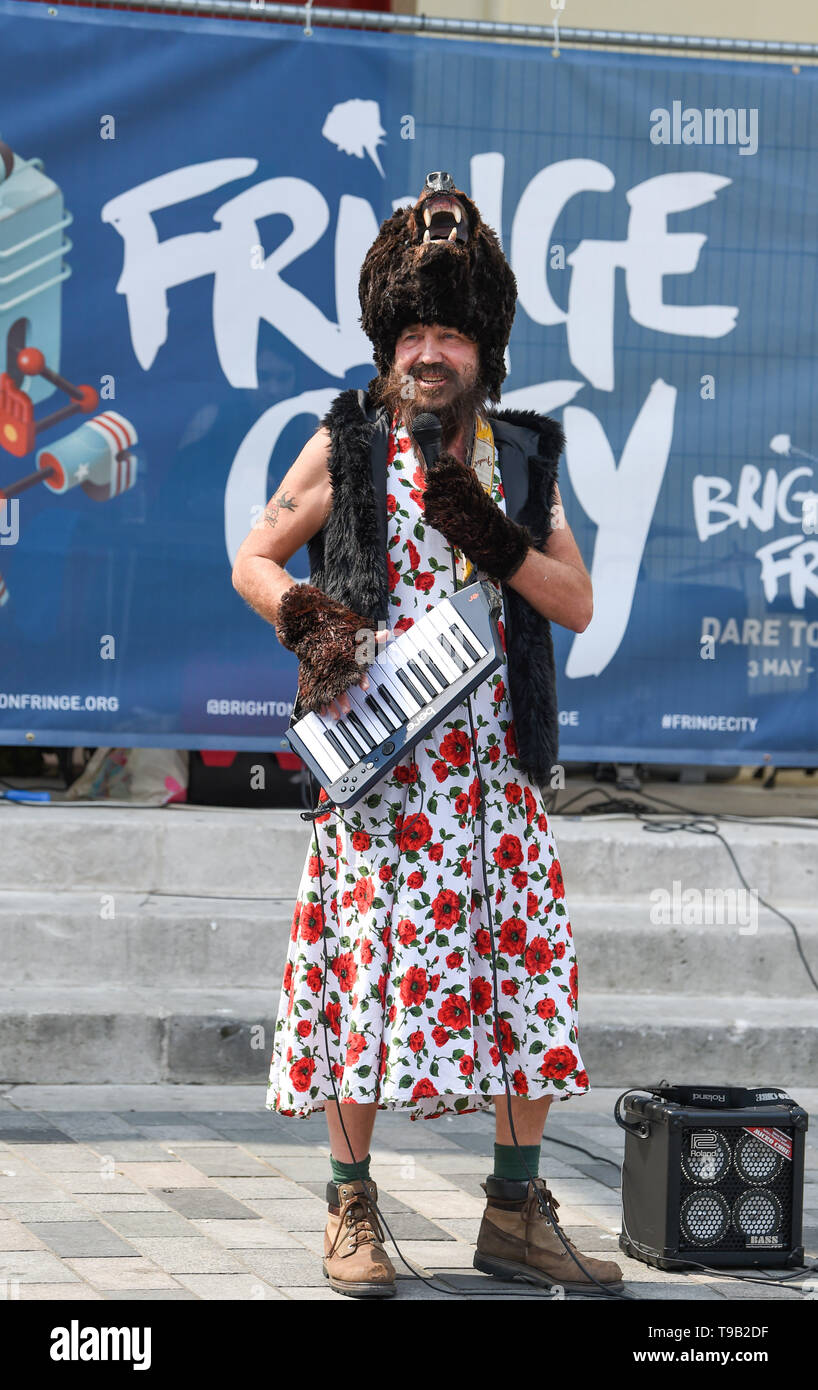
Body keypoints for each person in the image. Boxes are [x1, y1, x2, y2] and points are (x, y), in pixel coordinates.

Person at [231, 172, 624, 1299]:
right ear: (387, 340)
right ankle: (350, 1212)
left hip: (493, 782)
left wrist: (494, 538)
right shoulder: (345, 440)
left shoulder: (524, 454)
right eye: (414, 329)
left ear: (480, 344)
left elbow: (575, 602)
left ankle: (513, 1209)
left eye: (449, 330)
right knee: (358, 985)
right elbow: (253, 556)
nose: (429, 351)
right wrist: (304, 617)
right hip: (376, 774)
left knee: (524, 985)